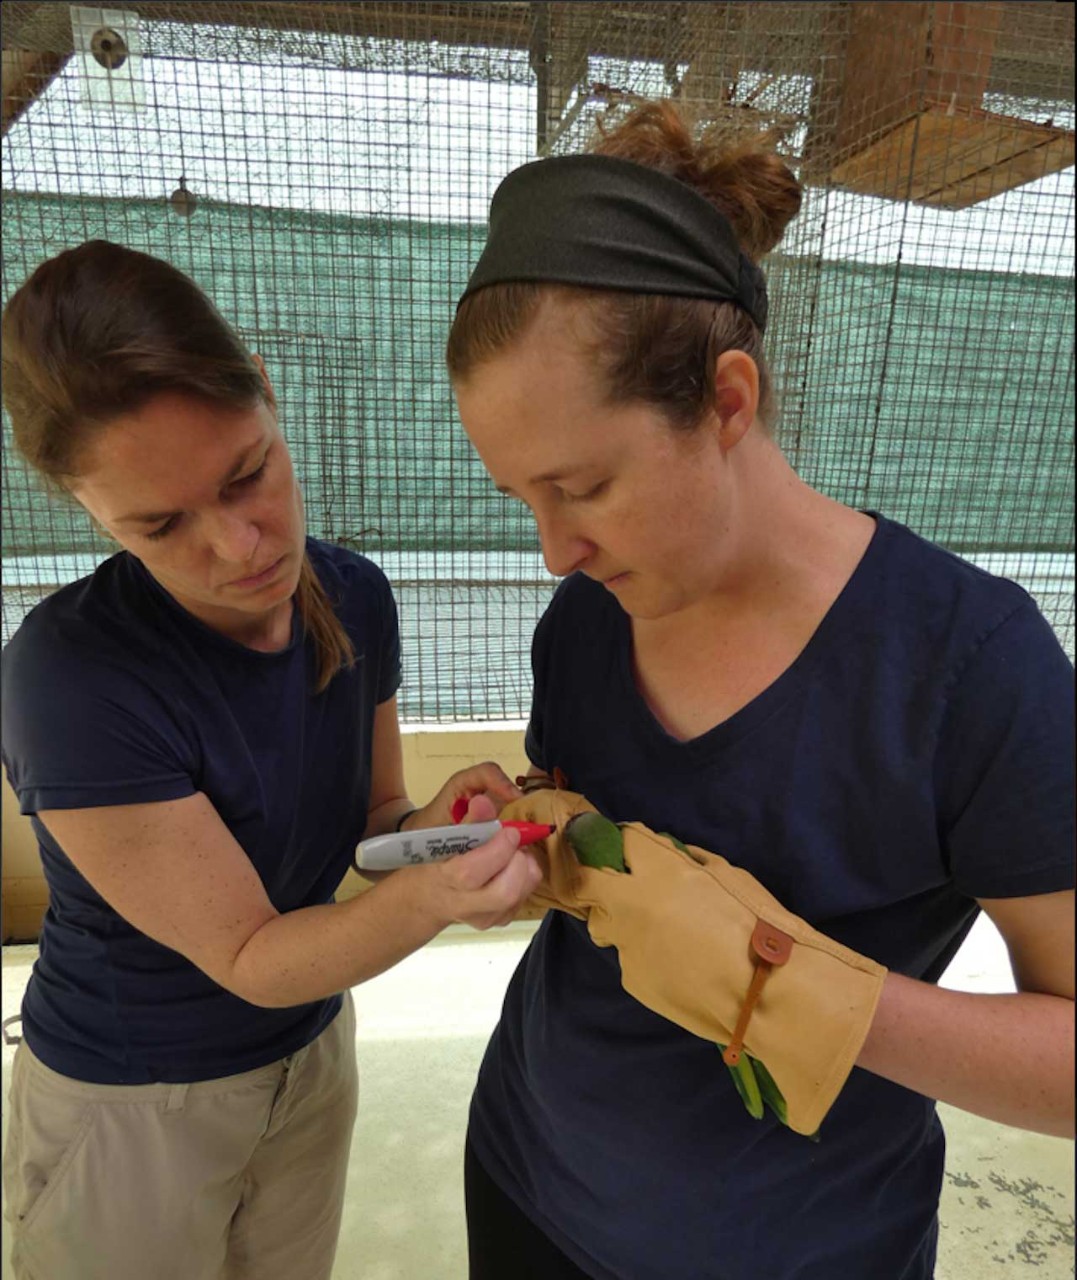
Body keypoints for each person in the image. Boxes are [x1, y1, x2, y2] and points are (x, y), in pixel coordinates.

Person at [445, 99, 1075, 1280]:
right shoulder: (587, 619)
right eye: (523, 497)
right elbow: (595, 825)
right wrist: (541, 833)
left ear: (727, 401)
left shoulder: (968, 662)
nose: (553, 549)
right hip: (529, 1176)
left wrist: (785, 982)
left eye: (581, 485)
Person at [0, 239, 543, 1280]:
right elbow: (249, 953)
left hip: (308, 1053)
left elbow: (374, 822)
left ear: (268, 392)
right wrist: (434, 900)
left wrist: (434, 825)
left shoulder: (355, 594)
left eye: (248, 472)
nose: (240, 545)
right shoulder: (71, 676)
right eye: (161, 526)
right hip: (134, 1100)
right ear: (90, 513)